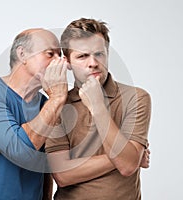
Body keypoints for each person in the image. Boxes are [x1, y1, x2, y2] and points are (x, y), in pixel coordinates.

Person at [45, 18, 151, 199]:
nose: (93, 63)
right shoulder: (57, 105)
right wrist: (127, 156)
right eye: (82, 56)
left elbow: (126, 167)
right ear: (68, 62)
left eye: (99, 54)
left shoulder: (136, 98)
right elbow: (62, 176)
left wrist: (98, 107)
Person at [0, 28, 69, 200]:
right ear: (22, 54)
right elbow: (20, 149)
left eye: (60, 55)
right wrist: (58, 97)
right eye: (50, 53)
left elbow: (44, 168)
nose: (59, 61)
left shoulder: (45, 105)